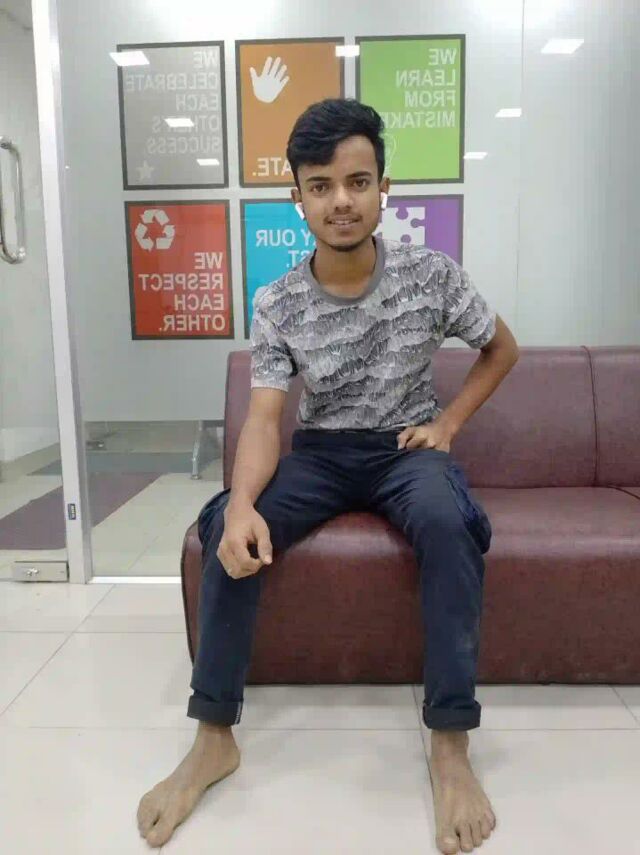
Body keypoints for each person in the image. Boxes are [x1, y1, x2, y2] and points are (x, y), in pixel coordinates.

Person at [137, 98, 520, 853]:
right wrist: (242, 503)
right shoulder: (278, 301)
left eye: (357, 182)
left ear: (384, 189)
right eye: (321, 185)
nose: (341, 201)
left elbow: (501, 349)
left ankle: (450, 744)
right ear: (299, 198)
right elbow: (264, 418)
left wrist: (446, 425)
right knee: (226, 526)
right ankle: (213, 737)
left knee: (448, 523)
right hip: (320, 454)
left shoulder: (432, 275)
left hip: (407, 451)